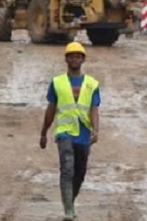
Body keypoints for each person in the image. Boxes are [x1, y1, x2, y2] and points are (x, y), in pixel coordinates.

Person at [40, 42, 100, 221]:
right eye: (71, 56)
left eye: (78, 56)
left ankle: (70, 201)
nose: (75, 59)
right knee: (67, 169)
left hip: (83, 135)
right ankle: (68, 209)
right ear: (66, 59)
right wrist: (44, 132)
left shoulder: (91, 84)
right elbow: (51, 109)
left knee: (80, 172)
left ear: (83, 59)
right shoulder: (57, 83)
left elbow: (94, 108)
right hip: (64, 133)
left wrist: (96, 130)